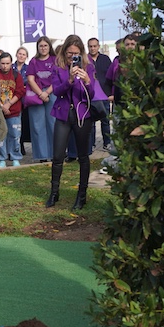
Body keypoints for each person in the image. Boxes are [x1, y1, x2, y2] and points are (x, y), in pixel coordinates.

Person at [47, 35, 96, 210]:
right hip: (63, 114)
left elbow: (91, 94)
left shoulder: (88, 66)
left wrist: (87, 81)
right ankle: (54, 192)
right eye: (69, 53)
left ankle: (81, 195)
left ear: (81, 53)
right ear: (64, 51)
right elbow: (57, 92)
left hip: (82, 115)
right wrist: (69, 79)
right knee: (58, 155)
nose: (72, 57)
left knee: (83, 156)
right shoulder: (58, 68)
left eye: (75, 54)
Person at [25, 37, 57, 162]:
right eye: (41, 46)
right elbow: (30, 79)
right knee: (37, 126)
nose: (43, 48)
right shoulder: (34, 61)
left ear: (49, 47)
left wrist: (47, 92)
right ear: (37, 47)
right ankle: (41, 155)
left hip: (52, 93)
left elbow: (58, 78)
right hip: (36, 94)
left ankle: (54, 153)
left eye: (45, 45)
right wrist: (41, 93)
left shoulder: (55, 60)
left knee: (53, 124)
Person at [0, 52, 25, 167]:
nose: (5, 66)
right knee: (1, 136)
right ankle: (1, 158)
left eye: (7, 63)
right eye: (2, 63)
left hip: (14, 111)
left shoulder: (17, 75)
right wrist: (2, 106)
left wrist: (8, 105)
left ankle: (15, 157)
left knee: (15, 135)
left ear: (11, 63)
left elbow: (20, 92)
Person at [88, 37, 114, 151]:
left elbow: (112, 76)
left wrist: (111, 93)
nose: (93, 48)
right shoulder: (85, 59)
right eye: (90, 46)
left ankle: (107, 142)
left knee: (105, 120)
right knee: (91, 121)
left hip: (105, 94)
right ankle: (92, 144)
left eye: (95, 46)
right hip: (90, 95)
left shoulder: (105, 59)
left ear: (98, 47)